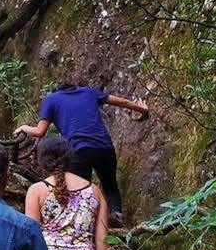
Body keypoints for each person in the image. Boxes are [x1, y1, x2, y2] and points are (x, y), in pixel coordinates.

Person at [14, 80, 150, 225]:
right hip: (104, 147)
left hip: (79, 150)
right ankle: (116, 215)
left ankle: (84, 224)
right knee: (110, 185)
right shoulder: (89, 92)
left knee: (80, 189)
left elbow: (39, 131)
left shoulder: (52, 99)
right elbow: (121, 102)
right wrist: (142, 109)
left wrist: (23, 127)